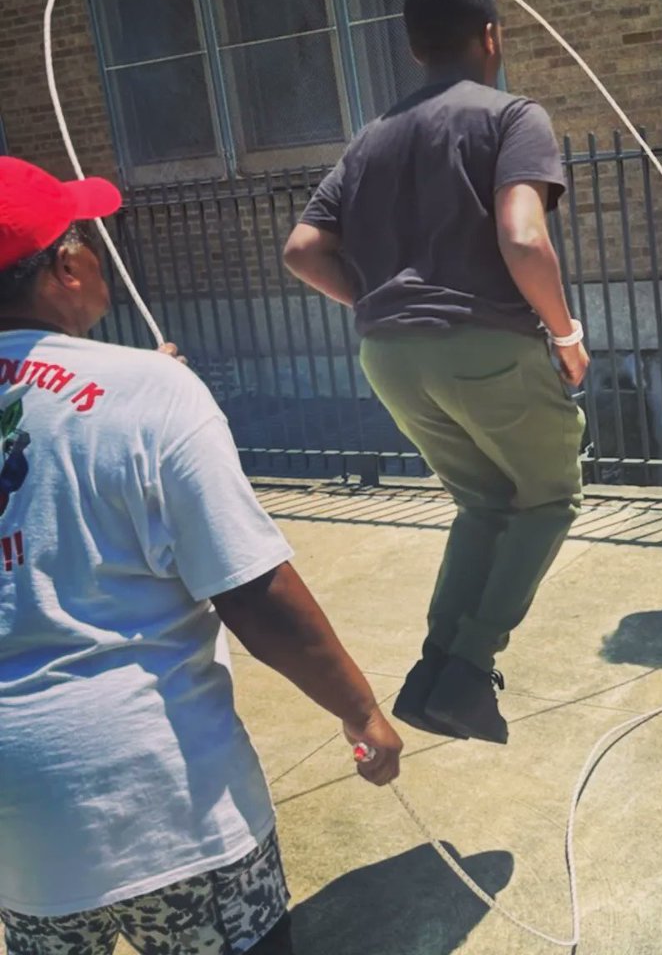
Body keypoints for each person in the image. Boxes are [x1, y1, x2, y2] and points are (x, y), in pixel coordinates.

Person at [0, 156, 403, 955]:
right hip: (168, 805)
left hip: (22, 840)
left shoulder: (147, 387)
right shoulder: (148, 391)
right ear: (67, 265)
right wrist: (360, 712)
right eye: (86, 239)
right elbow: (253, 592)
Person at [283, 0, 588, 746]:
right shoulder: (513, 117)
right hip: (481, 343)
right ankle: (469, 667)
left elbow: (302, 250)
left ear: (415, 49)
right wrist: (565, 332)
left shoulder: (372, 137)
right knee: (548, 498)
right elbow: (523, 237)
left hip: (389, 356)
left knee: (484, 503)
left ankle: (435, 671)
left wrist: (380, 301)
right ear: (492, 37)